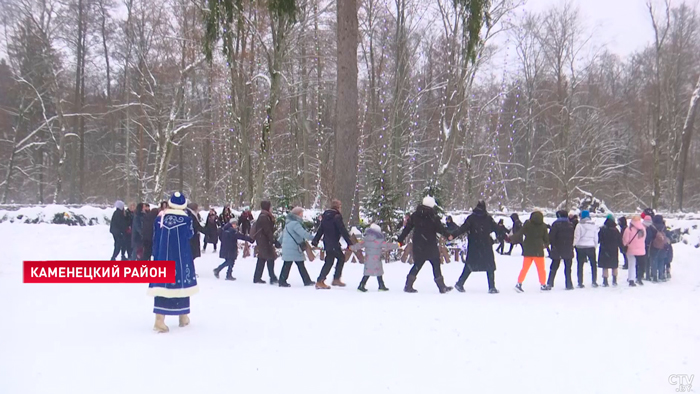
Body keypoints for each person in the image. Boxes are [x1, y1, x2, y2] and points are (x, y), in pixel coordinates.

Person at [148, 192, 198, 333]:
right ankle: (183, 315)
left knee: (162, 287)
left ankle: (160, 319)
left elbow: (155, 237)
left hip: (162, 258)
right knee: (182, 284)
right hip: (181, 259)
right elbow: (190, 235)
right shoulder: (186, 220)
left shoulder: (160, 219)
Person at [397, 196, 454, 294]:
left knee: (417, 264)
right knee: (436, 264)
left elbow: (407, 229)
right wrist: (448, 235)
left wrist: (400, 240)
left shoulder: (415, 215)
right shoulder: (433, 216)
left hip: (419, 245)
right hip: (430, 245)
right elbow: (440, 229)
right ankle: (441, 287)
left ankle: (408, 285)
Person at [450, 200, 500, 294]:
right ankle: (492, 287)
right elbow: (497, 228)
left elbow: (462, 228)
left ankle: (460, 283)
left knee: (470, 265)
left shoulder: (471, 218)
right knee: (489, 266)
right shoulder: (488, 218)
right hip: (486, 245)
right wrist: (505, 236)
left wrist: (453, 235)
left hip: (474, 245)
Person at [311, 199, 354, 289]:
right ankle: (324, 280)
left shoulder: (325, 216)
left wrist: (315, 240)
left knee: (332, 260)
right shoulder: (336, 217)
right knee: (336, 259)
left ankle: (330, 279)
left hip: (327, 242)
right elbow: (342, 230)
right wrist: (349, 243)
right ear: (338, 207)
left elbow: (321, 229)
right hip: (334, 242)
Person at [350, 223, 398, 292]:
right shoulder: (379, 240)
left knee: (367, 272)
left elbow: (359, 245)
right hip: (376, 258)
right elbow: (387, 245)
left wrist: (351, 247)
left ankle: (362, 285)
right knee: (379, 272)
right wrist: (396, 245)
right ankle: (381, 285)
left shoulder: (366, 239)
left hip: (368, 258)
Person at [278, 207, 317, 287]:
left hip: (289, 247)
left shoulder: (288, 223)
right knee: (295, 264)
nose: (302, 215)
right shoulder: (295, 224)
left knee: (292, 264)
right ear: (298, 214)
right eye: (301, 213)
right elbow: (303, 234)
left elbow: (282, 235)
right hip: (294, 248)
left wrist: (279, 242)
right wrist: (315, 238)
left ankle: (283, 280)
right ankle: (283, 281)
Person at [512, 211, 551, 292]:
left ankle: (519, 283)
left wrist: (512, 238)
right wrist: (545, 245)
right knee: (541, 269)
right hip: (538, 249)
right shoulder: (543, 226)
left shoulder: (527, 224)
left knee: (525, 268)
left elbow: (520, 232)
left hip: (528, 248)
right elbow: (546, 238)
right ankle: (543, 284)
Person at [547, 210, 576, 290]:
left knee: (554, 267)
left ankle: (550, 283)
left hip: (557, 248)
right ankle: (569, 284)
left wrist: (552, 245)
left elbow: (551, 236)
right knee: (568, 268)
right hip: (568, 248)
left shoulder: (556, 224)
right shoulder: (570, 224)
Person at [252, 200, 279, 284]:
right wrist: (273, 240)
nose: (271, 208)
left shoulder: (264, 216)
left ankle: (259, 277)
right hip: (264, 241)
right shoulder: (264, 217)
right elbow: (267, 230)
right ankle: (271, 277)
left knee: (263, 258)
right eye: (270, 207)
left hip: (262, 240)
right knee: (268, 258)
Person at [573, 210, 599, 288]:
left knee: (580, 265)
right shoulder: (593, 225)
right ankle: (594, 281)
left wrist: (574, 245)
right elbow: (596, 237)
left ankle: (580, 282)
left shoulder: (579, 225)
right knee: (593, 265)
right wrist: (595, 245)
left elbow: (576, 237)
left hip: (580, 247)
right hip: (591, 246)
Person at [598, 214, 622, 287]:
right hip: (614, 249)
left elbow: (599, 239)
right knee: (614, 265)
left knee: (605, 265)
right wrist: (622, 248)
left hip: (604, 249)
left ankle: (605, 281)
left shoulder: (602, 229)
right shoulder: (616, 230)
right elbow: (619, 240)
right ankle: (614, 280)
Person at [622, 215, 646, 286]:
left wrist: (625, 244)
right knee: (640, 264)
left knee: (631, 265)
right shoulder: (643, 228)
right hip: (641, 250)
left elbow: (625, 240)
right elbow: (644, 238)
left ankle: (631, 280)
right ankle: (639, 278)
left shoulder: (629, 229)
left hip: (631, 249)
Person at [650, 215, 671, 282]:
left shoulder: (652, 227)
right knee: (661, 261)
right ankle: (661, 275)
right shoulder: (664, 227)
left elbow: (650, 236)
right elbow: (668, 236)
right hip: (663, 247)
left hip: (654, 246)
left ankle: (654, 276)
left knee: (654, 261)